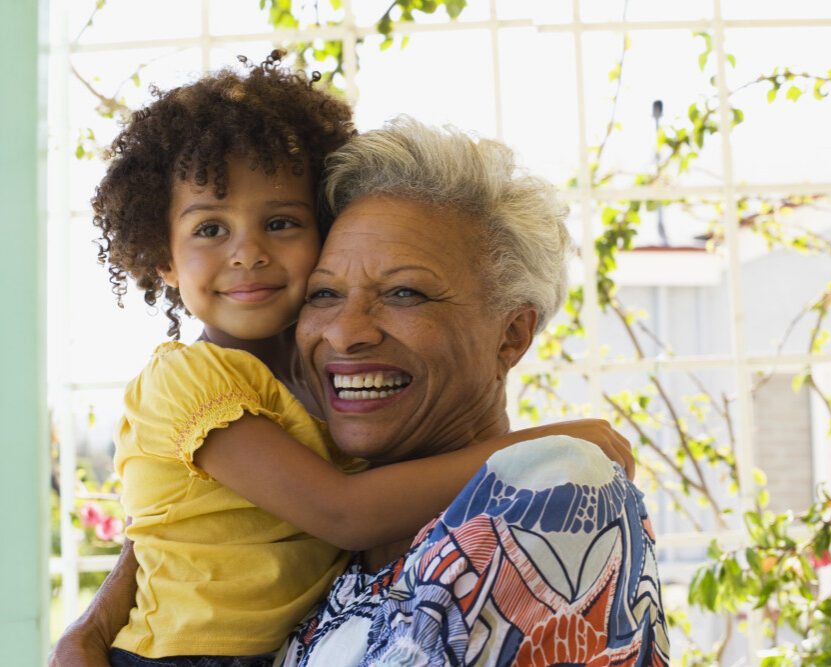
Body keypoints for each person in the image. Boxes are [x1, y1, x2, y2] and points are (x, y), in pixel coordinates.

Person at [62, 55, 634, 666]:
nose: (347, 335)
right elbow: (323, 512)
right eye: (328, 294)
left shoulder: (550, 510)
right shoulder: (200, 381)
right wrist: (543, 444)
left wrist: (549, 458)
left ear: (512, 334)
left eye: (405, 292)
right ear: (162, 258)